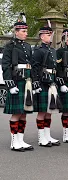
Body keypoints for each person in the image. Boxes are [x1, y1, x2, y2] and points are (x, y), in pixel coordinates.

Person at [2, 13, 34, 151]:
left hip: (26, 81)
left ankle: (21, 139)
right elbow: (6, 66)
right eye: (23, 31)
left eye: (26, 31)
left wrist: (33, 82)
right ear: (16, 32)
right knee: (16, 113)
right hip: (16, 81)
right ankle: (14, 141)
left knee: (24, 112)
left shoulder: (27, 46)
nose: (26, 33)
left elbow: (31, 65)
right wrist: (10, 84)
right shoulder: (9, 47)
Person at [32, 22, 60, 147]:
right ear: (42, 36)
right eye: (48, 35)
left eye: (50, 34)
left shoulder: (52, 50)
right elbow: (35, 67)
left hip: (51, 81)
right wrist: (36, 83)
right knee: (42, 111)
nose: (50, 36)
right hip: (42, 81)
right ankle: (41, 137)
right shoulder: (39, 50)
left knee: (49, 110)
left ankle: (47, 135)